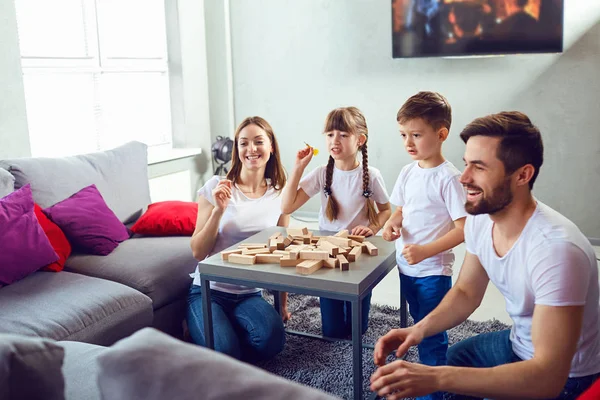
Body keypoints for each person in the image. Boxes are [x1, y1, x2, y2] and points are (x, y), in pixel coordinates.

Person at [371, 111, 600, 400]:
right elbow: (466, 291)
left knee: (439, 378)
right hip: (517, 343)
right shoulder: (481, 218)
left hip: (566, 377)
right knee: (443, 376)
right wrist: (418, 330)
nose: (463, 178)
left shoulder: (557, 251)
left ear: (523, 175)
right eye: (466, 164)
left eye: (478, 168)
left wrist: (436, 376)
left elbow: (547, 377)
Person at [381, 91, 467, 400]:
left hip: (432, 271)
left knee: (431, 333)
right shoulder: (408, 172)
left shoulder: (449, 179)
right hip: (408, 268)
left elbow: (464, 229)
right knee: (417, 323)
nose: (408, 142)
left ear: (441, 134)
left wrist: (426, 251)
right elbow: (400, 210)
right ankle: (418, 376)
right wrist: (392, 224)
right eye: (404, 134)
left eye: (416, 134)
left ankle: (432, 390)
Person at [281, 106, 391, 339]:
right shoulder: (322, 173)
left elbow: (386, 211)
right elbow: (287, 207)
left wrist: (372, 228)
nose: (335, 140)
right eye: (330, 134)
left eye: (343, 134)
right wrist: (298, 168)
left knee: (356, 330)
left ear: (360, 139)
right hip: (326, 250)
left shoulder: (372, 175)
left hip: (357, 251)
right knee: (331, 332)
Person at [187, 116, 289, 362]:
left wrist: (282, 305)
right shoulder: (216, 186)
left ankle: (223, 329)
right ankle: (201, 325)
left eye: (258, 142)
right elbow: (198, 252)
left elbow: (282, 252)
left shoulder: (280, 195)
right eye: (243, 143)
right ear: (237, 150)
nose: (251, 149)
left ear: (271, 147)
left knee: (273, 341)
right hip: (208, 291)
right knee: (226, 354)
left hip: (249, 292)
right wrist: (218, 211)